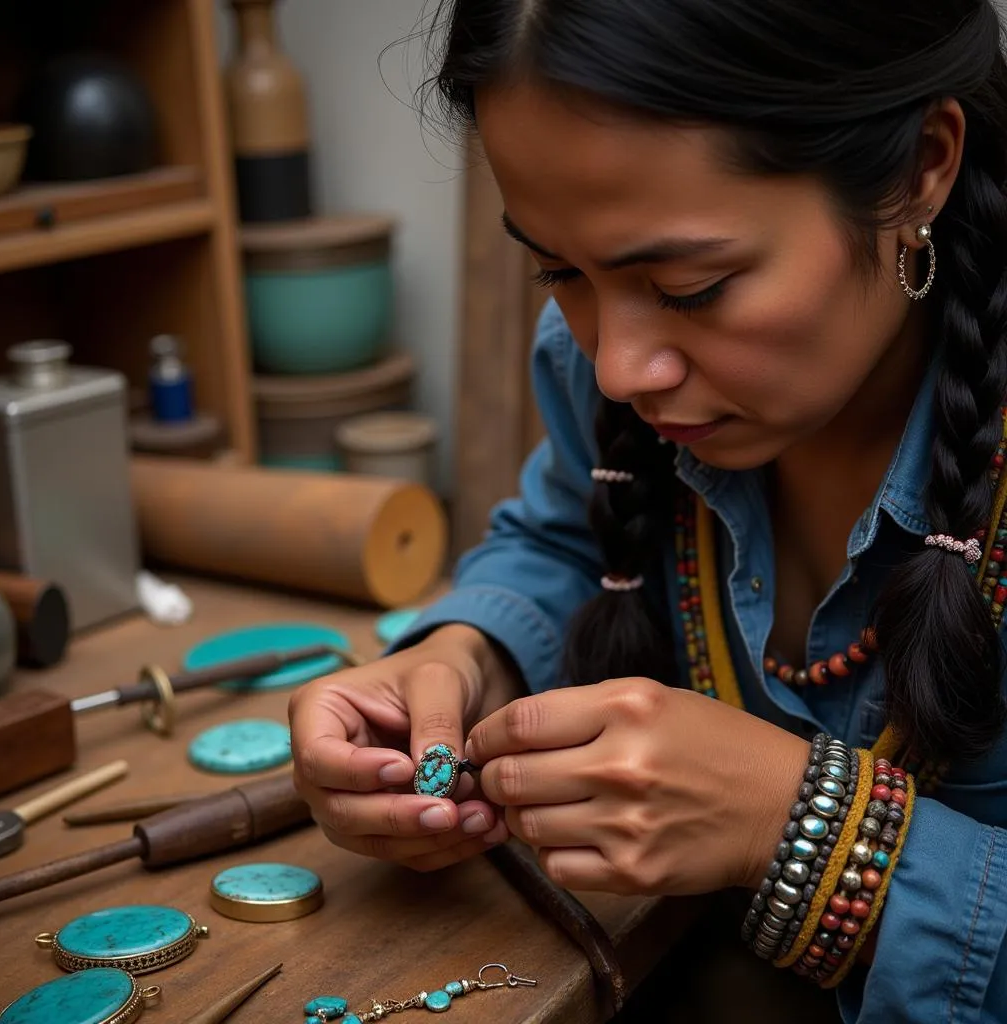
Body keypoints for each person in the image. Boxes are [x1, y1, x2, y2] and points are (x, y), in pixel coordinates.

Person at [288, 2, 1007, 1020]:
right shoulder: (599, 372)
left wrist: (797, 826)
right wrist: (460, 659)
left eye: (690, 286)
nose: (618, 367)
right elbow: (566, 537)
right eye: (556, 269)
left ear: (918, 167)